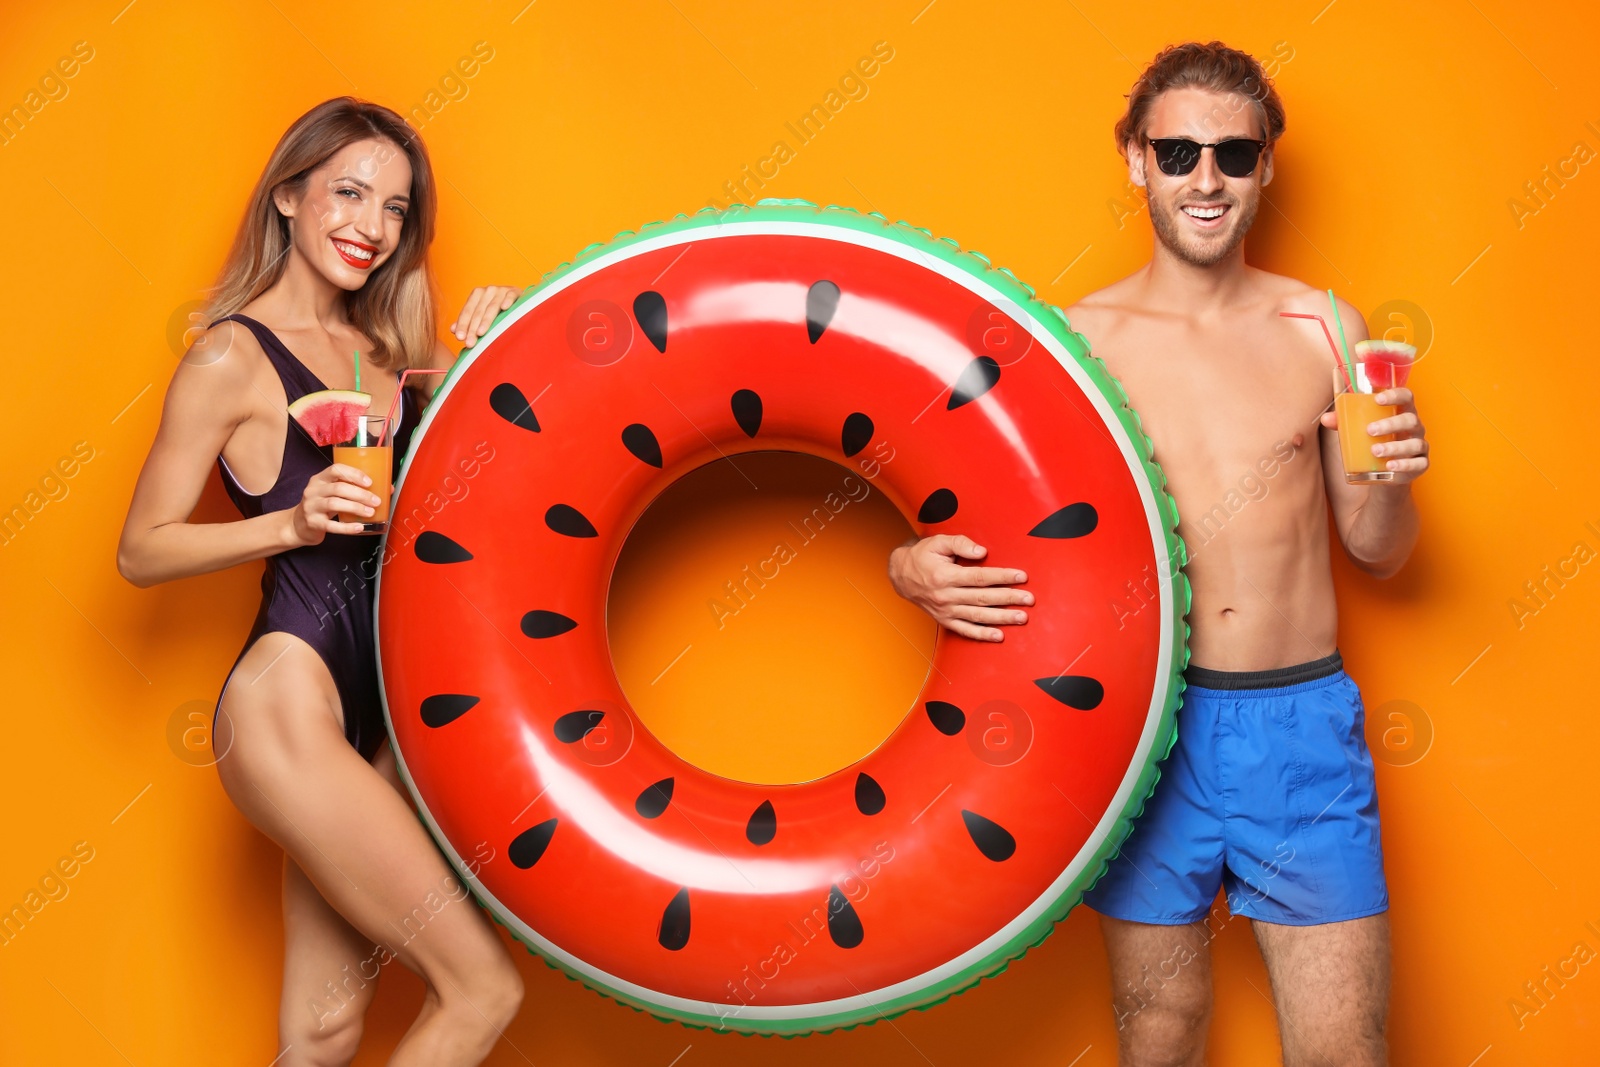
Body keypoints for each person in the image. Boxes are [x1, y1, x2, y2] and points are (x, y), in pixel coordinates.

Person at [888, 42, 1428, 1067]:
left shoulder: (1323, 326)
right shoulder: (1073, 343)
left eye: (1233, 153)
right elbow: (980, 511)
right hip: (1141, 724)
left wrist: (1395, 478)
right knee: (1160, 1030)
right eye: (1177, 151)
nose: (1205, 177)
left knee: (1342, 1046)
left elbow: (1378, 551)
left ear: (1266, 165)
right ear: (1135, 160)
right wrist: (906, 566)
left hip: (1298, 723)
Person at [117, 97, 526, 1066]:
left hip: (389, 714)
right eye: (347, 192)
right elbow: (142, 548)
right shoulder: (230, 353)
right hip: (287, 695)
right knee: (482, 986)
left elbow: (486, 520)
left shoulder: (397, 362)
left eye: (394, 208)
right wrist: (291, 521)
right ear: (290, 197)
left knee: (324, 1025)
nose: (370, 226)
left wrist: (505, 345)